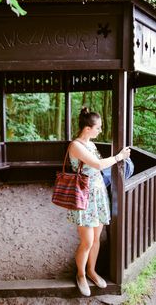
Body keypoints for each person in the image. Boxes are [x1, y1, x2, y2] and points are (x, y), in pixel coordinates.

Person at [67, 107, 131, 297]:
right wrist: (119, 157)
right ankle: (80, 275)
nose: (100, 131)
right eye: (98, 127)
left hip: (98, 196)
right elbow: (97, 165)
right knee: (86, 242)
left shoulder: (91, 144)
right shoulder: (76, 145)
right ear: (88, 128)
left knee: (96, 240)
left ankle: (91, 271)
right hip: (85, 197)